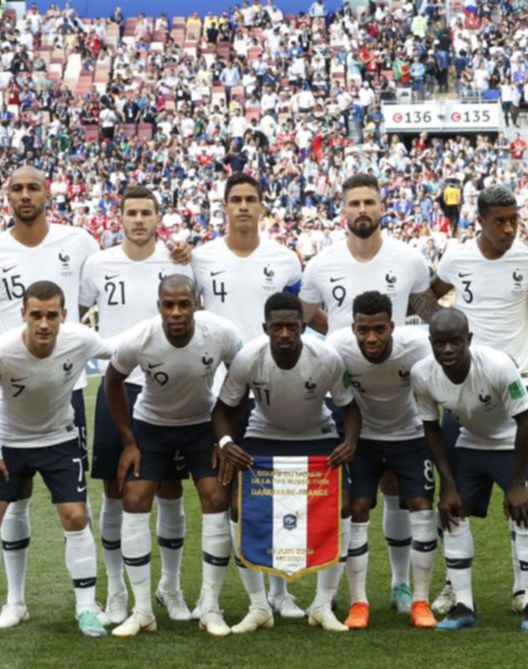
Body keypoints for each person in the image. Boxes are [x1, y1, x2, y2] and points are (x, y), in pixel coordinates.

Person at [300, 172, 443, 615]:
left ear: (382, 208)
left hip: (397, 387)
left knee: (397, 486)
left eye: (369, 202)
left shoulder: (409, 258)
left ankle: (402, 584)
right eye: (354, 203)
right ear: (342, 211)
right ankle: (339, 586)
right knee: (351, 496)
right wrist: (346, 336)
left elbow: (428, 310)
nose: (362, 210)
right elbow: (307, 311)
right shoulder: (321, 263)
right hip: (347, 390)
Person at [0, 165, 99, 630]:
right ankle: (15, 602)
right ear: (7, 196)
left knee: (73, 506)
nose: (26, 195)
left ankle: (91, 602)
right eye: (17, 188)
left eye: (33, 187)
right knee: (10, 501)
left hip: (68, 392)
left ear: (48, 193)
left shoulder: (79, 242)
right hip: (11, 398)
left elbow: (97, 302)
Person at [0, 281, 113, 641]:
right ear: (23, 315)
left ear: (63, 316)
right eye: (36, 315)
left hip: (60, 440)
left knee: (76, 516)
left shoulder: (81, 339)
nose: (43, 323)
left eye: (51, 315)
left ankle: (86, 609)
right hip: (9, 443)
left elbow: (118, 351)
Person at [429, 184, 528, 615]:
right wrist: (445, 341)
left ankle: (524, 589)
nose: (508, 229)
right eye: (499, 221)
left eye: (513, 221)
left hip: (515, 382)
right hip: (461, 390)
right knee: (451, 499)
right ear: (479, 221)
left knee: (521, 500)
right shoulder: (457, 257)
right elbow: (429, 296)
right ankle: (453, 586)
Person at [190, 172, 314, 618]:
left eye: (251, 199)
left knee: (277, 495)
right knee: (227, 495)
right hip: (223, 395)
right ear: (223, 206)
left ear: (263, 207)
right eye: (235, 199)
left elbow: (300, 319)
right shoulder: (200, 258)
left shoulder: (285, 260)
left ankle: (282, 593)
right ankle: (237, 597)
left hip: (274, 391)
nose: (243, 206)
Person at [213, 292, 362, 633]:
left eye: (291, 326)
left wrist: (350, 442)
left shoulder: (326, 357)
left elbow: (350, 408)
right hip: (264, 435)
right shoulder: (248, 357)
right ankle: (259, 606)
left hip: (317, 435)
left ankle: (322, 605)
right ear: (265, 328)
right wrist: (225, 442)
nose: (284, 333)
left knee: (343, 506)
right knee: (239, 509)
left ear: (303, 327)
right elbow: (221, 410)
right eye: (277, 326)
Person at [78, 186, 192, 626]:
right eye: (132, 213)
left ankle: (171, 587)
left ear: (158, 217)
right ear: (119, 218)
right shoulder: (98, 263)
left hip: (169, 389)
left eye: (147, 212)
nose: (139, 220)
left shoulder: (179, 261)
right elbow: (77, 313)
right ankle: (116, 592)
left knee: (168, 488)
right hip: (118, 387)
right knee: (115, 489)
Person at [105, 275, 241, 638]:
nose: (176, 312)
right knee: (133, 497)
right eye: (169, 305)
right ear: (159, 306)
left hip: (202, 425)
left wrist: (225, 437)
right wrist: (129, 442)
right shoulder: (140, 338)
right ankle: (142, 609)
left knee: (216, 495)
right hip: (152, 426)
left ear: (197, 303)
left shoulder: (222, 332)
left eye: (184, 304)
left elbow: (242, 377)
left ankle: (209, 606)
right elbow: (112, 381)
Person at [411, 308, 528, 632]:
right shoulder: (422, 374)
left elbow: (525, 420)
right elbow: (431, 428)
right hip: (472, 441)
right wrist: (447, 484)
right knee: (453, 512)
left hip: (518, 438)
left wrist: (517, 483)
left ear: (468, 339)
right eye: (439, 343)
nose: (447, 350)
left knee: (524, 512)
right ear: (430, 343)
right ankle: (464, 607)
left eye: (455, 342)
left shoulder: (497, 366)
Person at [326, 291, 438, 629]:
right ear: (353, 327)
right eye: (363, 330)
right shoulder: (338, 347)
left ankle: (416, 596)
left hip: (411, 434)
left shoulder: (417, 345)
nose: (371, 338)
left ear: (392, 326)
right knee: (357, 508)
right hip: (364, 439)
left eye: (379, 329)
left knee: (419, 505)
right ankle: (359, 601)